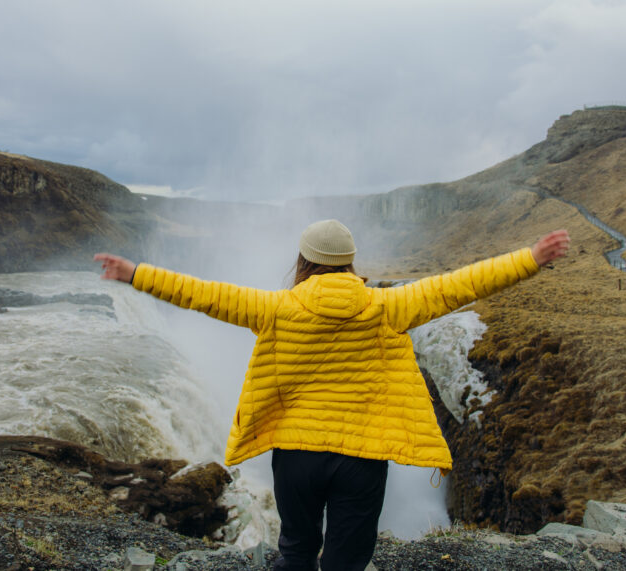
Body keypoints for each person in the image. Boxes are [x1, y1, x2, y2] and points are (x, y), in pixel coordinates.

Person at [95, 221, 570, 571]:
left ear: (303, 262)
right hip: (360, 459)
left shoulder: (276, 307)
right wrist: (530, 258)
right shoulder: (388, 306)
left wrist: (135, 273)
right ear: (350, 263)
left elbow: (202, 294)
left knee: (297, 550)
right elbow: (461, 284)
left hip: (296, 456)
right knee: (347, 559)